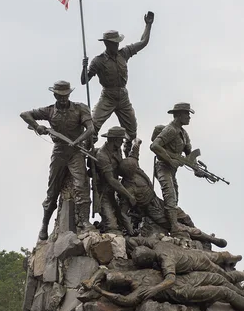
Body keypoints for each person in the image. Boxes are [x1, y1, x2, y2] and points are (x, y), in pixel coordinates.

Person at [20, 80, 94, 240]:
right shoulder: (49, 111)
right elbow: (25, 114)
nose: (62, 98)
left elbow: (91, 129)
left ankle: (85, 221)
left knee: (81, 185)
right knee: (52, 190)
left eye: (65, 95)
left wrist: (77, 141)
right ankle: (44, 225)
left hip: (76, 151)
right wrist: (36, 126)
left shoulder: (80, 108)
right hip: (59, 151)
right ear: (54, 95)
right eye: (59, 96)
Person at [118, 141, 227, 247]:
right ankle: (211, 239)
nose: (135, 167)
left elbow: (134, 154)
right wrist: (131, 231)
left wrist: (136, 143)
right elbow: (123, 212)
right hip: (152, 211)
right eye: (133, 168)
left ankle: (202, 238)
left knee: (183, 216)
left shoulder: (135, 169)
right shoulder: (128, 188)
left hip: (158, 201)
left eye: (135, 166)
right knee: (179, 227)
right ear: (128, 172)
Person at [81, 12, 154, 154]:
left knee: (132, 132)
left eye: (118, 42)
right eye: (114, 43)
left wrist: (148, 25)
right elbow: (84, 81)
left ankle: (130, 160)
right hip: (107, 96)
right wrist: (84, 68)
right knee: (92, 127)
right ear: (108, 44)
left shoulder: (124, 53)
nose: (117, 45)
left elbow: (143, 42)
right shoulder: (99, 61)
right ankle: (86, 153)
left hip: (123, 97)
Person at [90, 268, 244, 311]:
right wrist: (99, 290)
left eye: (119, 275)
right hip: (182, 291)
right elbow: (124, 301)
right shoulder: (140, 291)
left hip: (184, 278)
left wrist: (95, 279)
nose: (122, 276)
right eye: (119, 279)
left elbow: (104, 269)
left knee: (216, 277)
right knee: (223, 292)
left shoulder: (136, 273)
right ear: (121, 283)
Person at [150, 103, 205, 234]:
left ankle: (172, 223)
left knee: (175, 197)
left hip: (172, 170)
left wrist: (197, 169)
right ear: (179, 115)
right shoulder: (171, 130)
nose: (189, 117)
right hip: (163, 167)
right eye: (187, 114)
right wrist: (170, 160)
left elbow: (190, 156)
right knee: (170, 195)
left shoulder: (184, 134)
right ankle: (174, 226)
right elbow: (154, 146)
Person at [95, 126, 136, 233]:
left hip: (114, 191)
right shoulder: (102, 155)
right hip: (103, 193)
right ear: (114, 140)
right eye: (120, 139)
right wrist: (128, 195)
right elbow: (111, 180)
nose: (122, 141)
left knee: (122, 220)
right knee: (112, 226)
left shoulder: (116, 150)